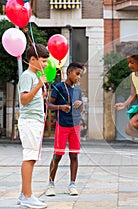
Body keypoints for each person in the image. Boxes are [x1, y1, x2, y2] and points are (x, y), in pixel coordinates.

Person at [45, 62, 84, 196]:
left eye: (80, 75)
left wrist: (80, 104)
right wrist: (60, 107)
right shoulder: (59, 87)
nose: (79, 77)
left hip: (75, 125)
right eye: (77, 74)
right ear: (69, 72)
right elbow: (48, 104)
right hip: (62, 125)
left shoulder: (78, 90)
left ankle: (72, 185)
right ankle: (51, 184)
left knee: (74, 155)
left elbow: (81, 108)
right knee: (58, 155)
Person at [17, 43, 48, 208]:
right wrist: (38, 86)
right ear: (33, 59)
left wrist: (40, 93)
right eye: (43, 61)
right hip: (29, 122)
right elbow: (23, 100)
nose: (45, 65)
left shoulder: (34, 76)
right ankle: (27, 196)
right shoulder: (28, 75)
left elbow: (32, 99)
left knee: (32, 158)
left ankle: (24, 194)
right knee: (29, 157)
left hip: (34, 121)